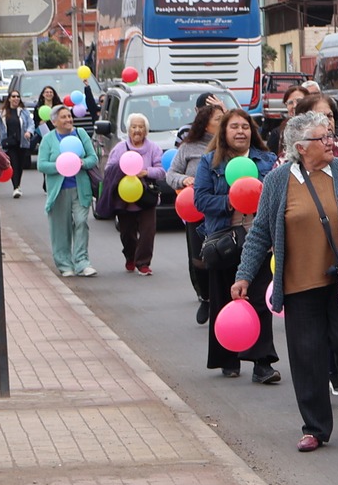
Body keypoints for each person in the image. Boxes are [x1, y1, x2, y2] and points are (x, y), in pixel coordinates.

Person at [232, 111, 338, 451]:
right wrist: (244, 275)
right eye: (323, 138)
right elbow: (261, 230)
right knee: (307, 359)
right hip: (299, 286)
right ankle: (315, 428)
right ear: (301, 147)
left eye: (331, 135)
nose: (331, 143)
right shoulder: (279, 180)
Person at [196, 110, 281, 384]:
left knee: (259, 300)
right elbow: (200, 200)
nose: (240, 132)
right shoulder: (209, 162)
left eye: (245, 126)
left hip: (258, 240)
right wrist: (230, 201)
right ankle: (227, 357)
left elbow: (277, 195)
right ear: (224, 132)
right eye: (234, 127)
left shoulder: (266, 160)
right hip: (223, 241)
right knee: (223, 298)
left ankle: (262, 362)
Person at [167, 102, 224, 323]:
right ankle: (206, 297)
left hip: (223, 208)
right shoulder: (188, 147)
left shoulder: (228, 145)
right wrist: (185, 179)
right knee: (199, 258)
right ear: (205, 124)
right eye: (218, 119)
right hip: (196, 210)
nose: (223, 123)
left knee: (225, 253)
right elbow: (171, 174)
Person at [98, 113, 165, 276]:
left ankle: (143, 263)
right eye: (134, 127)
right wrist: (124, 171)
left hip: (146, 197)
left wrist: (145, 172)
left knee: (148, 232)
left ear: (146, 130)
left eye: (141, 127)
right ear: (128, 130)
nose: (137, 130)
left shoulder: (153, 148)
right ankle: (130, 256)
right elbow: (109, 169)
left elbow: (162, 171)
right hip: (125, 198)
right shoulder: (120, 148)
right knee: (127, 233)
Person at [37, 104, 97, 277]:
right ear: (54, 121)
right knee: (60, 229)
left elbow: (92, 158)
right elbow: (41, 164)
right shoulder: (49, 139)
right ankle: (64, 264)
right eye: (63, 117)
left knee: (81, 223)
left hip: (80, 188)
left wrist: (81, 163)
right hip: (59, 191)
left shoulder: (80, 134)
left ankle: (82, 262)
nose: (68, 120)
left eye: (69, 116)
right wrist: (61, 166)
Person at [1, 92, 37, 196]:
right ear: (9, 99)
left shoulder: (24, 112)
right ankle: (15, 187)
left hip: (22, 143)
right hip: (9, 143)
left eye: (17, 97)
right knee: (14, 164)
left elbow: (31, 123)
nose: (16, 98)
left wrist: (29, 132)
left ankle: (18, 185)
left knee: (20, 165)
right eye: (13, 97)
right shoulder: (2, 113)